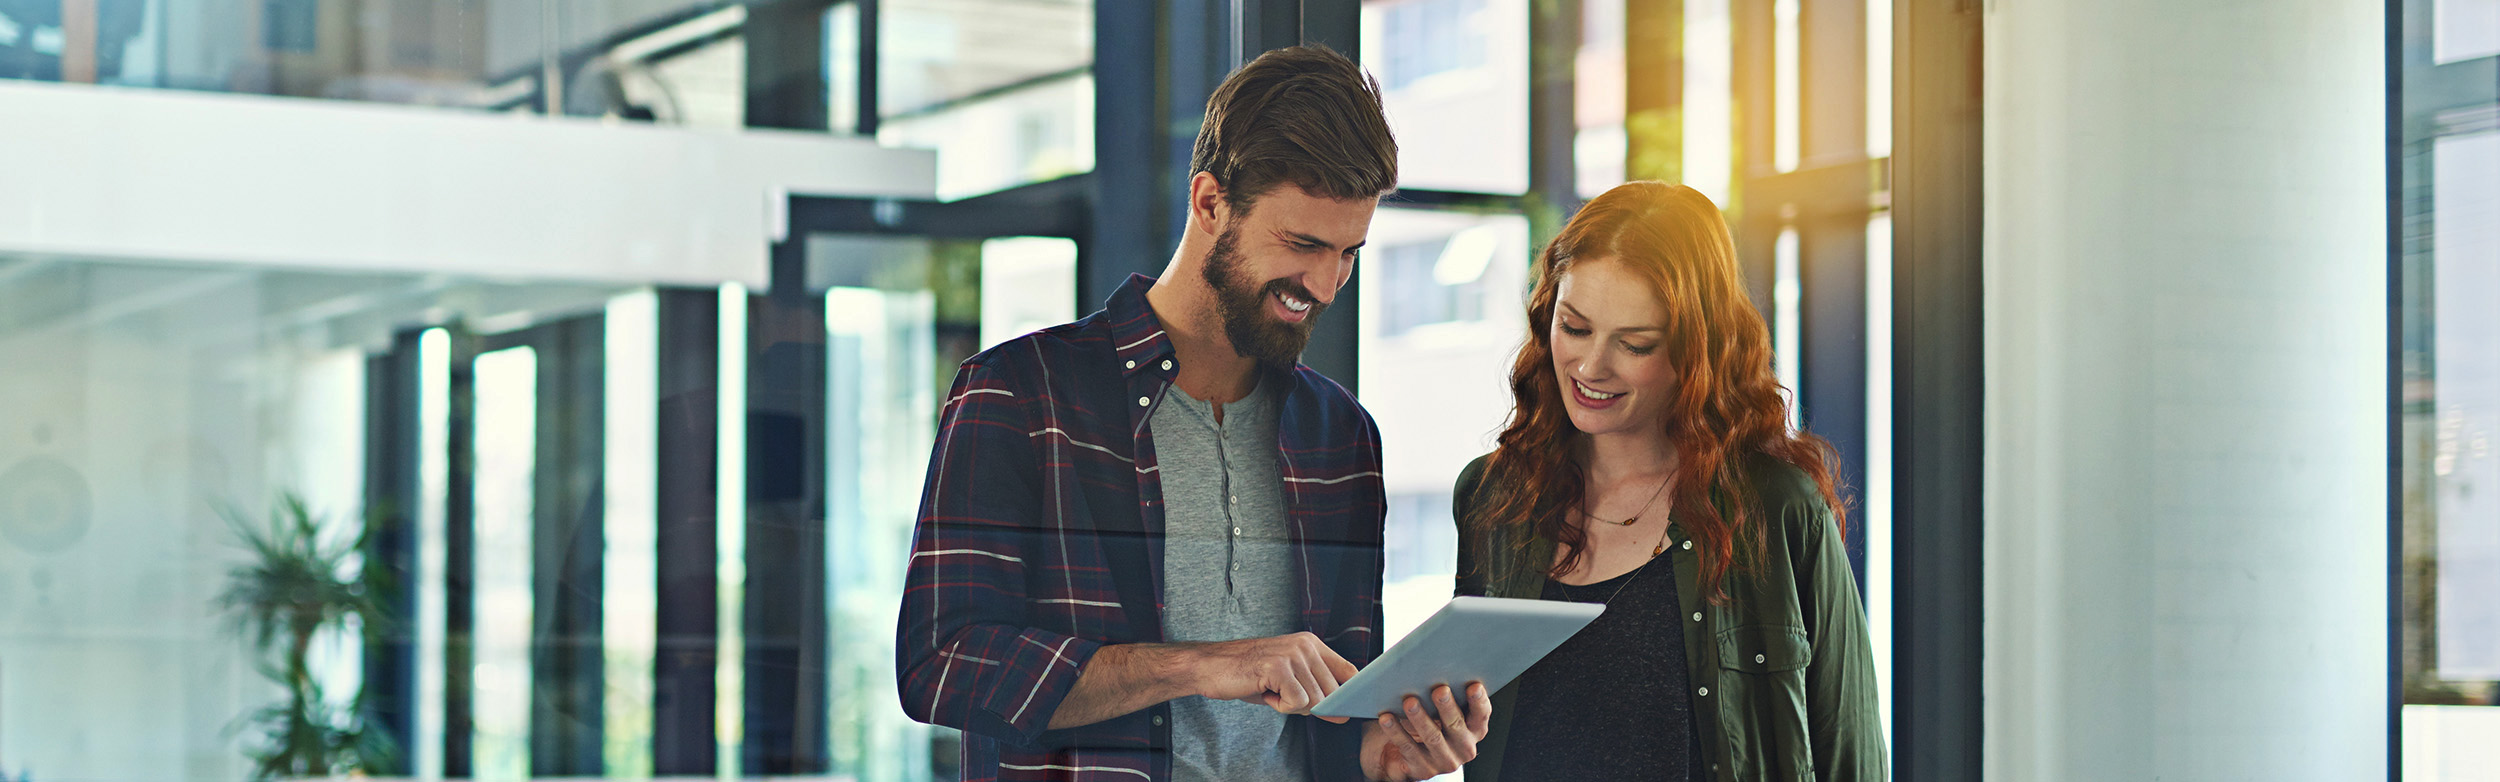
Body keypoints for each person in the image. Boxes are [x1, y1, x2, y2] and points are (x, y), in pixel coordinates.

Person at [897, 45, 1488, 782]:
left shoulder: (1341, 437)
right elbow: (940, 665)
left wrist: (1383, 752)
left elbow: (1330, 720)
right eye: (1302, 244)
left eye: (1349, 253)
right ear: (1210, 204)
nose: (1327, 283)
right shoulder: (1020, 393)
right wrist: (1202, 666)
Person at [1452, 182, 1886, 780]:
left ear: (1696, 347)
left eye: (1634, 344)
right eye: (1574, 328)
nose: (1591, 367)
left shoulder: (1777, 507)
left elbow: (1849, 752)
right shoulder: (1493, 496)